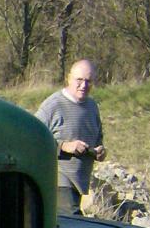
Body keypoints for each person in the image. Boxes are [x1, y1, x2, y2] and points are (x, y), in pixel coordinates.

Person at [36, 59, 105, 215]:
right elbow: (32, 138)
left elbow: (98, 136)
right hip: (58, 179)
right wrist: (64, 147)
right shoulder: (53, 105)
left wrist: (99, 151)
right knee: (74, 221)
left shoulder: (92, 106)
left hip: (80, 180)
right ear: (68, 78)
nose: (84, 85)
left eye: (88, 81)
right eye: (79, 80)